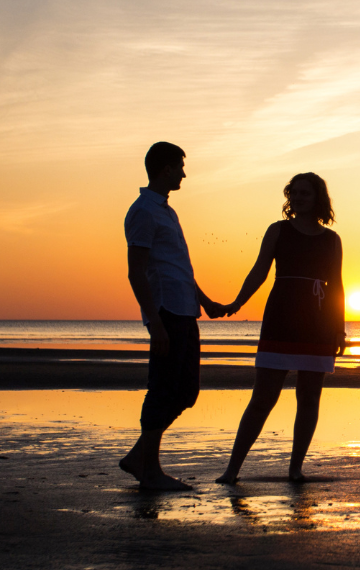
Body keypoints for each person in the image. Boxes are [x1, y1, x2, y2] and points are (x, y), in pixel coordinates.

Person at [215, 172, 345, 484]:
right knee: (262, 398)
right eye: (294, 193)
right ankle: (231, 470)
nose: (298, 198)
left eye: (305, 193)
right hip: (281, 317)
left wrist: (339, 328)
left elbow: (338, 285)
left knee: (309, 399)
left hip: (318, 322)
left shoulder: (331, 239)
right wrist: (237, 302)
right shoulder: (278, 231)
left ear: (318, 199)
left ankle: (295, 468)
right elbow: (259, 270)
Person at [120, 141, 227, 491]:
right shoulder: (143, 211)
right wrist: (154, 323)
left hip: (185, 310)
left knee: (186, 393)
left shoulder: (167, 211)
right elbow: (137, 272)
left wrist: (206, 301)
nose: (184, 172)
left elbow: (178, 266)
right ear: (165, 168)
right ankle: (150, 470)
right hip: (166, 311)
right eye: (180, 166)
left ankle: (140, 456)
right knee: (162, 391)